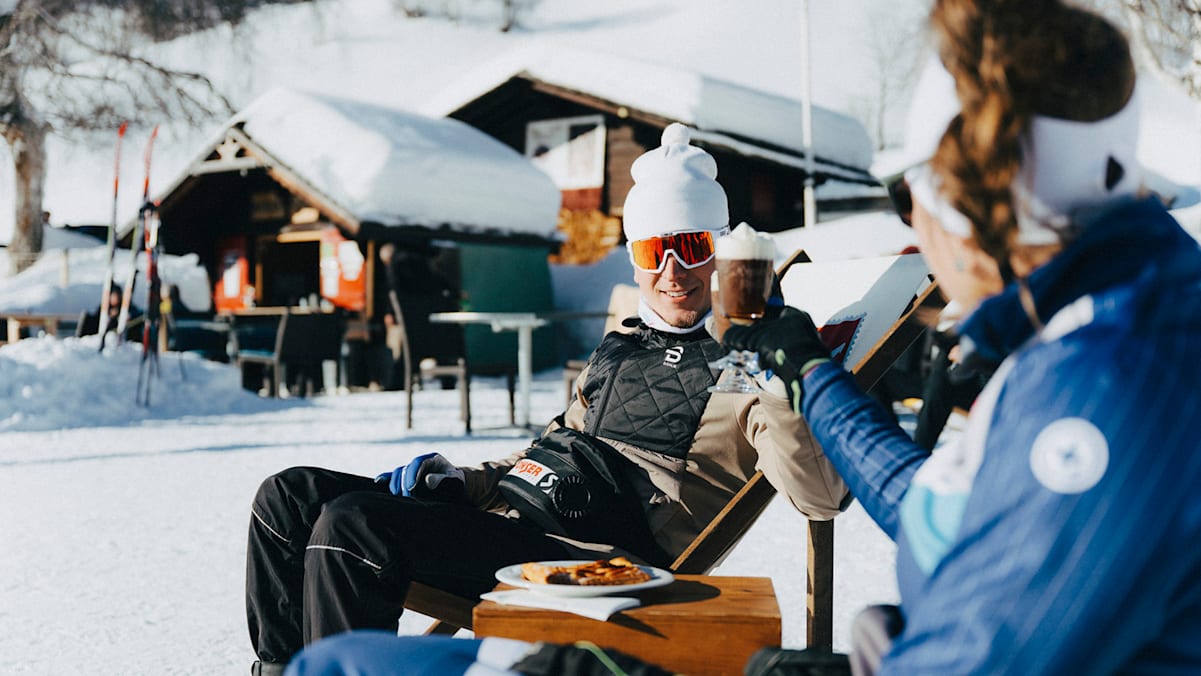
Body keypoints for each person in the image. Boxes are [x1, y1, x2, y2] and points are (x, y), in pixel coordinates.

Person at [245, 123, 850, 675]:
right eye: (652, 251)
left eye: (691, 246)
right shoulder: (623, 344)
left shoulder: (749, 368)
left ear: (717, 249)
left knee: (353, 527)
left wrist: (782, 373)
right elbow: (553, 450)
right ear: (635, 260)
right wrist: (462, 480)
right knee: (287, 497)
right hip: (515, 516)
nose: (673, 271)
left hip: (597, 560)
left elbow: (820, 496)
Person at [724, 1, 1201, 673]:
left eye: (907, 194)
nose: (913, 229)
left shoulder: (1107, 379)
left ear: (962, 201)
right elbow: (952, 512)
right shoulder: (1100, 318)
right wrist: (812, 375)